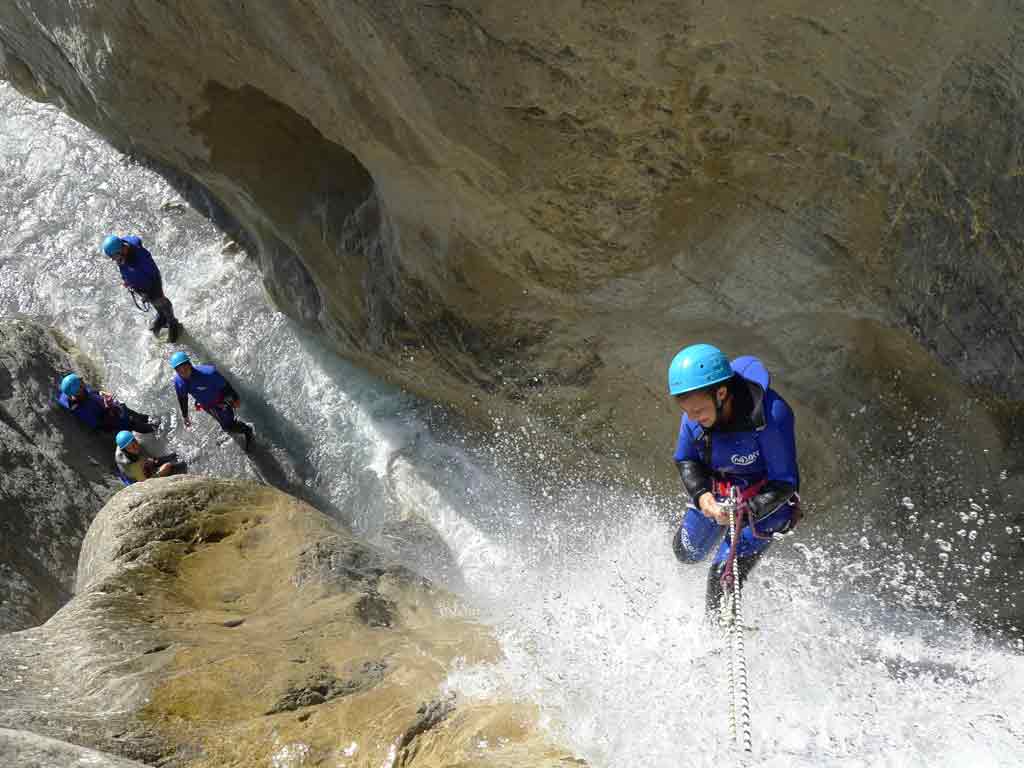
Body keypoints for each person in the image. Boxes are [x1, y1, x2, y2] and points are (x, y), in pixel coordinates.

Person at [668, 343, 800, 615]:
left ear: (721, 393)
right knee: (686, 552)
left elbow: (785, 483)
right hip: (721, 492)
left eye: (698, 411)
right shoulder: (694, 415)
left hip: (767, 502)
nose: (692, 419)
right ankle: (716, 530)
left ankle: (716, 634)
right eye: (687, 411)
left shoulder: (771, 415)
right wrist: (703, 497)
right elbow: (686, 459)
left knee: (721, 576)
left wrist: (743, 511)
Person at [102, 234, 181, 342]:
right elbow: (132, 239)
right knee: (156, 307)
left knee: (160, 301)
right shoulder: (123, 249)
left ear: (121, 250)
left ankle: (172, 322)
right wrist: (128, 282)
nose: (114, 260)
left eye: (114, 256)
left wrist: (149, 294)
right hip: (139, 285)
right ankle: (162, 317)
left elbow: (154, 276)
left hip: (152, 285)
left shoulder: (139, 256)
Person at [169, 351, 254, 450]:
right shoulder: (179, 382)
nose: (184, 372)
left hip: (221, 402)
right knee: (222, 421)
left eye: (185, 367)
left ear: (190, 364)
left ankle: (247, 430)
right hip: (207, 406)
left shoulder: (208, 373)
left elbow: (226, 386)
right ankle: (228, 427)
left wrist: (235, 398)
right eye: (179, 370)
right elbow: (182, 398)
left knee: (228, 425)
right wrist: (185, 416)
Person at [57, 372, 157, 434]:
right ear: (78, 391)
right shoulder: (82, 409)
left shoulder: (79, 392)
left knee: (140, 416)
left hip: (116, 409)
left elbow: (91, 392)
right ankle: (157, 428)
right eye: (81, 383)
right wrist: (108, 407)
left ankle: (155, 420)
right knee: (136, 425)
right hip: (117, 420)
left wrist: (101, 393)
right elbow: (101, 425)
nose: (83, 382)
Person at [113, 430, 187, 485]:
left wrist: (150, 461)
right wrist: (159, 473)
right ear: (125, 450)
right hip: (136, 478)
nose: (134, 448)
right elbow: (145, 484)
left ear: (135, 440)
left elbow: (143, 454)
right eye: (130, 448)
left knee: (169, 458)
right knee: (169, 466)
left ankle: (185, 457)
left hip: (140, 462)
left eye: (134, 444)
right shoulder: (131, 464)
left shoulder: (134, 440)